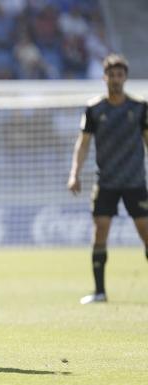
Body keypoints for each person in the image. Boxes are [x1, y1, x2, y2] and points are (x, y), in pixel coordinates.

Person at [67, 53, 148, 305]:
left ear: (125, 77)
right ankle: (100, 292)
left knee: (146, 232)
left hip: (135, 180)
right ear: (105, 77)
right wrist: (74, 174)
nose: (115, 79)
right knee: (100, 229)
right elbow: (83, 144)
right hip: (106, 181)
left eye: (120, 75)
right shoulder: (94, 109)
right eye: (111, 75)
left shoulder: (139, 107)